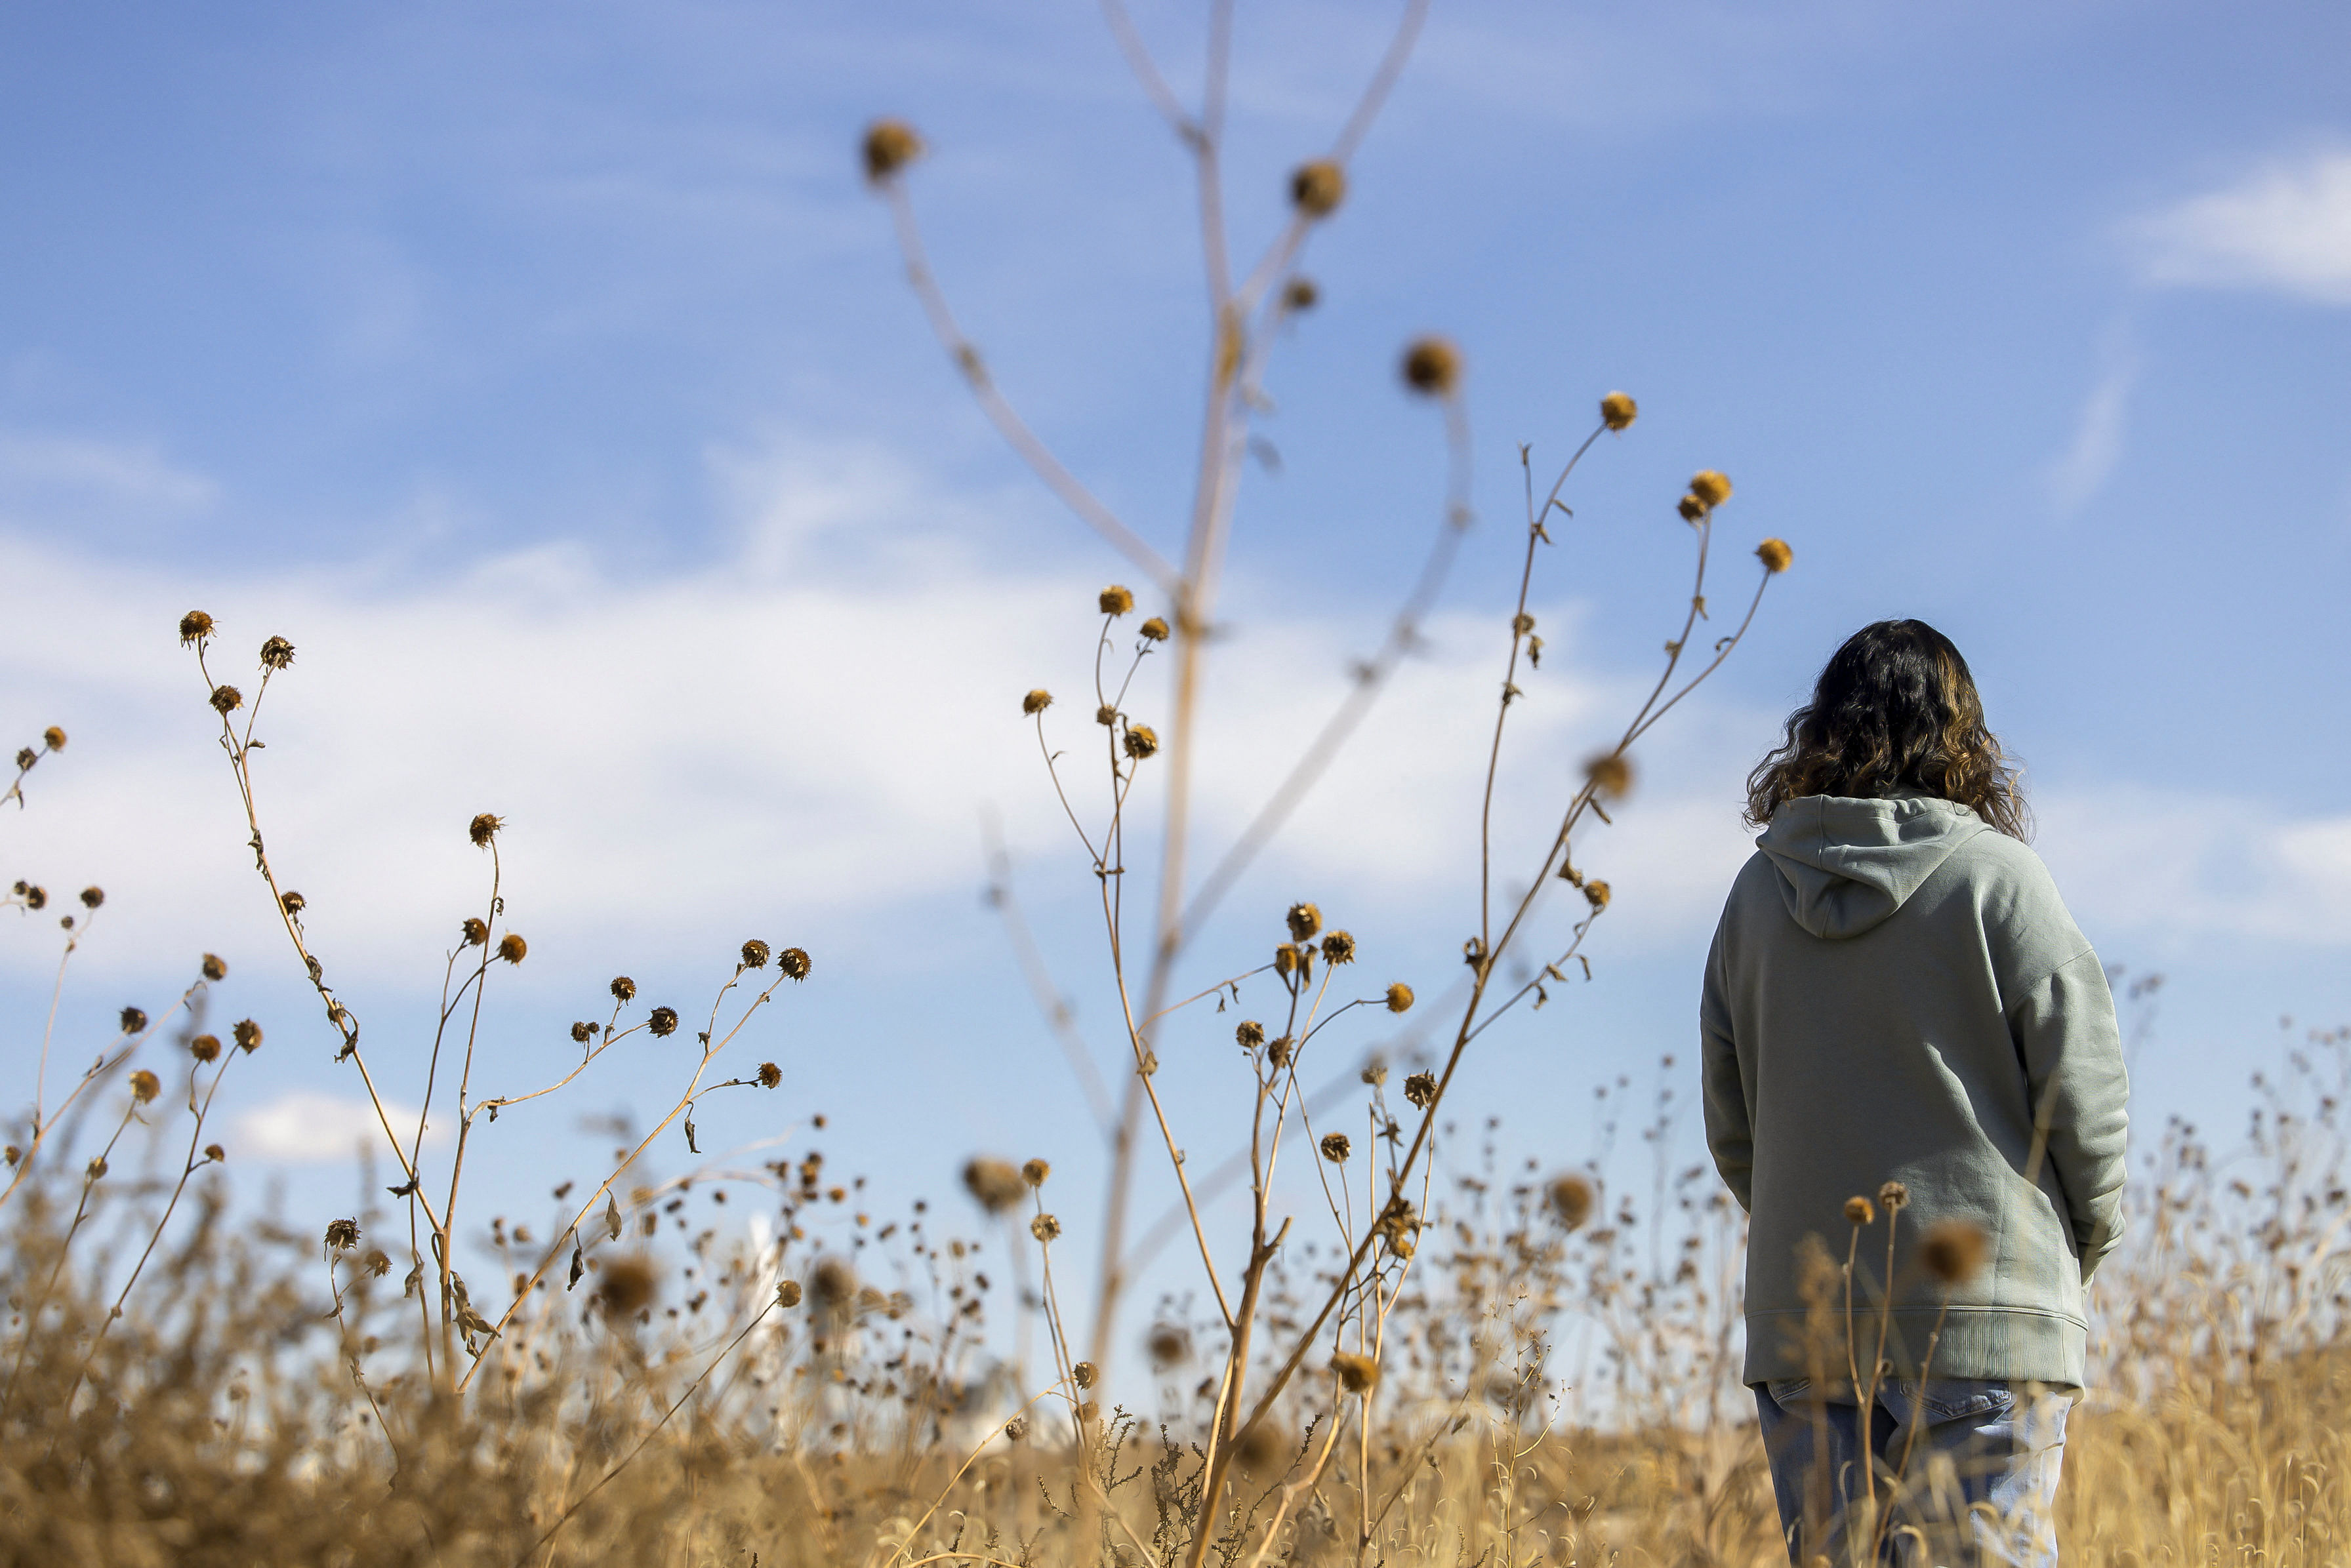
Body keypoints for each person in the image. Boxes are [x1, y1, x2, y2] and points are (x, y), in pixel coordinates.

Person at [1700, 620, 2129, 1565]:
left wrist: (1817, 1241)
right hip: (1988, 1318)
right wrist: (2067, 1251)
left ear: (1820, 732)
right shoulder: (2001, 881)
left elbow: (1737, 1134)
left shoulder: (1755, 901)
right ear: (1963, 737)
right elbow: (2086, 1103)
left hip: (1809, 1328)